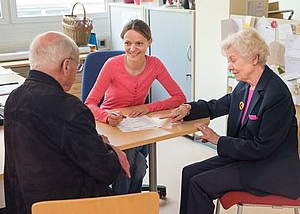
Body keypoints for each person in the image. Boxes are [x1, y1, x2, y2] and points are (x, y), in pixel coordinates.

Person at [160, 27, 300, 214]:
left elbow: (261, 148)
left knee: (199, 183)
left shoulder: (276, 95)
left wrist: (218, 140)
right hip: (246, 159)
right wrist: (187, 108)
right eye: (228, 60)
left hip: (269, 169)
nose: (229, 66)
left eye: (233, 60)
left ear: (254, 58)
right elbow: (216, 106)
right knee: (189, 172)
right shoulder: (243, 86)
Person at [4, 31, 130, 214]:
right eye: (77, 66)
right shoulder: (69, 107)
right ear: (66, 65)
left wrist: (94, 142)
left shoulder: (14, 98)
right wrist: (110, 150)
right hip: (72, 206)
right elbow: (106, 171)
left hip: (26, 205)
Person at [85, 19, 186, 194]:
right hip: (110, 126)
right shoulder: (112, 65)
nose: (133, 49)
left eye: (139, 43)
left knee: (136, 163)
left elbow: (179, 97)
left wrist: (148, 107)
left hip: (137, 124)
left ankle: (126, 206)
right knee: (136, 163)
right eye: (128, 43)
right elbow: (89, 104)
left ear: (149, 42)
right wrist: (107, 117)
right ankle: (127, 206)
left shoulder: (155, 64)